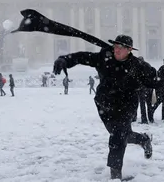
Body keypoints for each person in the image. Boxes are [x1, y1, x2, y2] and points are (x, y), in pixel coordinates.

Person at [53, 35, 156, 180]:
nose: (116, 50)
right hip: (105, 105)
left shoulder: (138, 65)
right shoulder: (104, 58)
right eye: (115, 47)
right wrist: (65, 59)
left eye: (120, 48)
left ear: (129, 50)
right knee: (122, 134)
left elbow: (154, 80)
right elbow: (83, 56)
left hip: (126, 106)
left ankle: (115, 176)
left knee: (118, 136)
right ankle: (143, 140)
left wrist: (158, 79)